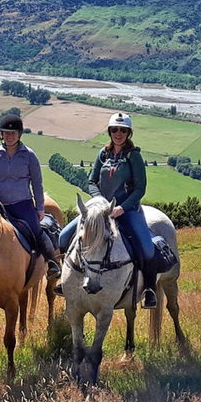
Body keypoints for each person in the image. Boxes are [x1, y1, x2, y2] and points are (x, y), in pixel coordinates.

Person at [58, 112, 160, 308]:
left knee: (147, 249)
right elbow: (91, 181)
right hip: (100, 211)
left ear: (129, 133)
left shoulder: (134, 156)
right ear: (109, 132)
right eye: (114, 130)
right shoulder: (103, 154)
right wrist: (100, 202)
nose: (118, 133)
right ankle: (66, 281)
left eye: (123, 130)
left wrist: (122, 207)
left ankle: (149, 290)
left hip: (127, 210)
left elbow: (140, 189)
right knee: (64, 237)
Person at [0, 113, 60, 277]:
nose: (9, 136)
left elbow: (37, 183)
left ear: (19, 134)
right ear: (1, 134)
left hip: (22, 204)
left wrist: (40, 208)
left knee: (37, 231)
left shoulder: (29, 155)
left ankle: (52, 263)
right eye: (6, 133)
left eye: (13, 133)